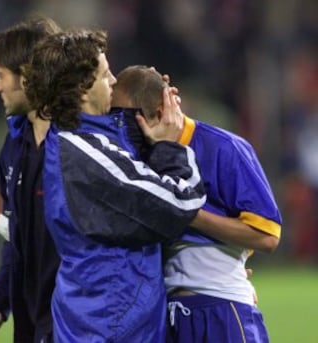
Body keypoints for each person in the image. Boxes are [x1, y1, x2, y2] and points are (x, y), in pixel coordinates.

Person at [23, 29, 207, 343]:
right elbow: (181, 201)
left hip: (103, 316)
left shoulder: (80, 141)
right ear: (82, 88)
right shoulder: (85, 154)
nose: (112, 82)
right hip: (111, 323)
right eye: (106, 74)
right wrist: (169, 146)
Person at [110, 65, 282, 343]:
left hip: (222, 309)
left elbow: (267, 235)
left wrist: (185, 211)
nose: (117, 125)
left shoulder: (225, 147)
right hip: (165, 315)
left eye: (124, 116)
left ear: (156, 111)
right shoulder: (131, 158)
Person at [0, 17, 62, 343]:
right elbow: (15, 233)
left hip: (79, 324)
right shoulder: (13, 147)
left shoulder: (81, 147)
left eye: (1, 76)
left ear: (28, 77)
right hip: (33, 324)